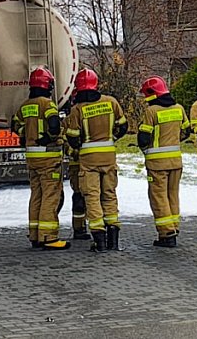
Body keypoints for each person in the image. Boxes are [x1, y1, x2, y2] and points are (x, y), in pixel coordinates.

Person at [64, 68, 128, 252]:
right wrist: (111, 139)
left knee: (92, 197)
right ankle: (113, 241)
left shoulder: (78, 109)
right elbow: (123, 126)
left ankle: (99, 240)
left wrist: (80, 146)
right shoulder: (111, 102)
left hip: (88, 160)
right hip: (108, 157)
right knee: (109, 194)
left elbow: (73, 137)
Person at [12, 67, 70, 250]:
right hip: (48, 158)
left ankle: (35, 235)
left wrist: (26, 135)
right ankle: (48, 237)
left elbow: (15, 125)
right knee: (50, 196)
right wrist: (50, 136)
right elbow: (54, 125)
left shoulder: (25, 106)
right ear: (48, 85)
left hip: (32, 158)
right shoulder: (47, 104)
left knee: (36, 195)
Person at [138, 76, 191, 247]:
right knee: (172, 195)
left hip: (157, 164)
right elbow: (186, 132)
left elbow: (143, 138)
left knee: (159, 197)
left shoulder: (152, 111)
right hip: (176, 162)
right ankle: (173, 227)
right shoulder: (179, 108)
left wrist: (148, 149)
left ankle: (166, 233)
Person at [62, 92, 90, 240]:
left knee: (92, 196)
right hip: (77, 165)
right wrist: (77, 153)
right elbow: (65, 143)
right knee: (79, 197)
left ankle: (96, 226)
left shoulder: (91, 116)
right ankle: (79, 228)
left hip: (90, 164)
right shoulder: (67, 121)